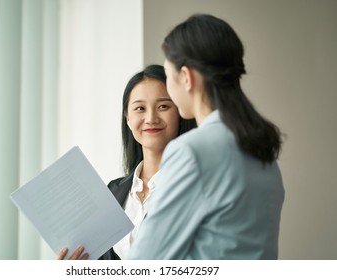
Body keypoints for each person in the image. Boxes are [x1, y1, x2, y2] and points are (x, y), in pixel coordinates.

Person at [127, 14, 285, 259]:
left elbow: (144, 263)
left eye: (169, 76)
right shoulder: (263, 151)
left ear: (187, 78)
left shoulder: (191, 151)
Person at [57, 64, 196, 260]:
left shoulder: (199, 187)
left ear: (180, 112)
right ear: (128, 118)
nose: (150, 118)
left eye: (163, 106)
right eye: (140, 108)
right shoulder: (113, 191)